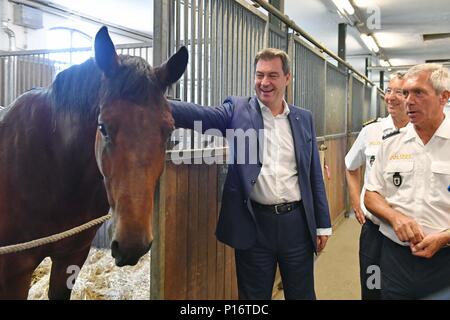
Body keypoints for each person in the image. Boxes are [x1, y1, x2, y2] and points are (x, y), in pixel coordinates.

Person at [170, 48, 331, 299]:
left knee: (302, 295)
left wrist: (323, 224)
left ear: (287, 78)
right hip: (255, 226)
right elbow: (200, 115)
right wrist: (153, 100)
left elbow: (313, 175)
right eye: (259, 75)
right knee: (253, 299)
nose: (264, 83)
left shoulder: (303, 118)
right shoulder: (237, 109)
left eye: (273, 75)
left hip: (296, 224)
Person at [365, 63, 450, 299]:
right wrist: (395, 217)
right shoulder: (391, 143)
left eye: (419, 93)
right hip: (396, 258)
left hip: (445, 261)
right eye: (406, 93)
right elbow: (371, 194)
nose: (408, 101)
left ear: (444, 97)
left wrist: (445, 237)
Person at [344, 72, 409, 300]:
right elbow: (350, 167)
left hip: (407, 233)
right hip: (375, 232)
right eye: (388, 90)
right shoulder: (371, 131)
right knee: (373, 288)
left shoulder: (419, 132)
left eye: (398, 92)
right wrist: (355, 202)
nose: (390, 97)